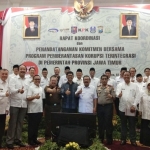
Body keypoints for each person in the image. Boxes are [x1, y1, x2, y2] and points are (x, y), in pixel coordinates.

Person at [6, 65, 29, 149]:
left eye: (24, 69)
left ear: (26, 70)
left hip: (24, 104)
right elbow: (11, 90)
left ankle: (18, 139)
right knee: (13, 123)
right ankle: (9, 141)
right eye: (21, 69)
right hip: (14, 104)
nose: (22, 70)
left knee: (20, 123)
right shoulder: (13, 79)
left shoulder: (27, 80)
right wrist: (18, 90)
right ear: (18, 70)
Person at [116, 71, 140, 146]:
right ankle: (123, 139)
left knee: (132, 125)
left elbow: (137, 96)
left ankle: (133, 140)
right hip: (122, 108)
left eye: (128, 75)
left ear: (130, 76)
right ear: (123, 76)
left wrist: (134, 105)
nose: (126, 76)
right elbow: (117, 94)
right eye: (125, 75)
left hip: (131, 109)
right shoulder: (120, 85)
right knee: (123, 125)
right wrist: (118, 95)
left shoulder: (135, 85)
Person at [96, 75, 115, 145]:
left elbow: (115, 97)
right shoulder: (97, 88)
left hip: (108, 107)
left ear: (107, 80)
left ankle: (109, 140)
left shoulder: (110, 87)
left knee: (108, 123)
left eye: (105, 79)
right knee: (100, 123)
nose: (104, 80)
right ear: (100, 80)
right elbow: (95, 97)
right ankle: (101, 139)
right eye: (102, 79)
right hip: (100, 107)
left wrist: (111, 96)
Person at [27, 75, 43, 146]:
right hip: (32, 110)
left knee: (36, 126)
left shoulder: (41, 88)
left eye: (38, 79)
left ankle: (35, 139)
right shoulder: (30, 87)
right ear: (33, 80)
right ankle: (30, 140)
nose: (37, 80)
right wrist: (35, 97)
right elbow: (28, 98)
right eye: (36, 79)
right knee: (32, 126)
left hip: (39, 110)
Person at [0, 69, 9, 148]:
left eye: (6, 74)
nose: (4, 75)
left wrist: (7, 108)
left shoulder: (7, 83)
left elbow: (8, 97)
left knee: (1, 127)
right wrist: (3, 94)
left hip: (3, 110)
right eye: (3, 74)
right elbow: (5, 94)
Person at [139, 82, 150, 146]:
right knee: (145, 127)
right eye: (148, 85)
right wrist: (140, 111)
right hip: (145, 113)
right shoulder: (143, 93)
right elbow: (140, 102)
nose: (149, 87)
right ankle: (144, 141)